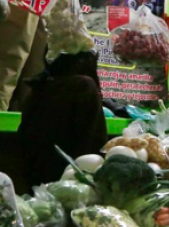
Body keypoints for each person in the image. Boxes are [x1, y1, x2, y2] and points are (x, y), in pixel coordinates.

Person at [18, 51, 107, 190]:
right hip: (72, 185)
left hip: (35, 184)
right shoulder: (83, 86)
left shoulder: (37, 89)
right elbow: (93, 143)